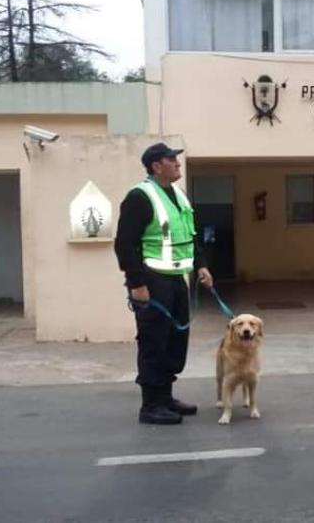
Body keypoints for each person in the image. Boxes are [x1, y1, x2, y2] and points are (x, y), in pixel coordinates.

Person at [114, 142, 214, 425]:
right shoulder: (139, 197)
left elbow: (190, 236)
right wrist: (137, 284)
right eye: (172, 159)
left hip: (176, 279)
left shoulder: (178, 195)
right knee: (153, 341)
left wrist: (201, 265)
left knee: (174, 340)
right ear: (157, 166)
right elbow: (124, 245)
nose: (178, 163)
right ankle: (150, 405)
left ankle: (166, 397)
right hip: (152, 281)